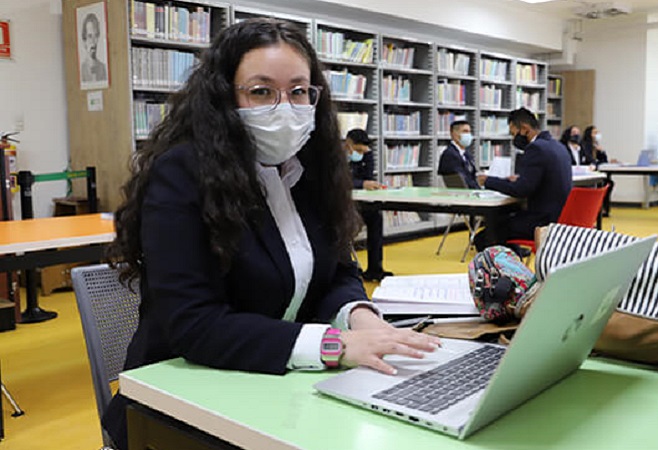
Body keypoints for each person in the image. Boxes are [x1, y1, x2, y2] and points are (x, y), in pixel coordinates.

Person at [103, 19, 439, 449]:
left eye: (299, 91)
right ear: (225, 97)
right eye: (261, 91)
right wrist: (334, 345)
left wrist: (364, 320)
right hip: (182, 401)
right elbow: (194, 325)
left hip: (278, 390)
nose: (285, 107)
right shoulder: (181, 174)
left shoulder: (312, 170)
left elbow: (337, 271)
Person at [476, 108, 571, 252]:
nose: (514, 139)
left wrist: (488, 181)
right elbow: (542, 179)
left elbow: (521, 190)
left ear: (525, 129)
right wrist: (522, 179)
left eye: (514, 133)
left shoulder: (536, 148)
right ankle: (515, 258)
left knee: (486, 236)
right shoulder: (558, 146)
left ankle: (507, 270)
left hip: (542, 222)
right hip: (560, 217)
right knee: (502, 225)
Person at [345, 128, 393, 281]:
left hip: (358, 201)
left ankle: (375, 268)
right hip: (338, 204)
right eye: (358, 150)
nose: (361, 154)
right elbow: (337, 180)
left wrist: (363, 183)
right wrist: (361, 183)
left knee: (375, 217)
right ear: (348, 144)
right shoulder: (334, 156)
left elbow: (367, 176)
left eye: (364, 151)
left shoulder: (367, 154)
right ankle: (344, 267)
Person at [581, 125, 615, 216]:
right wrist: (596, 163)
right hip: (589, 172)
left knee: (609, 183)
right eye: (595, 133)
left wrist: (601, 151)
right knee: (602, 183)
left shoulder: (596, 145)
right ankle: (599, 208)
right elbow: (590, 159)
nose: (597, 135)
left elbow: (604, 160)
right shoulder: (585, 145)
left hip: (597, 170)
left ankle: (605, 208)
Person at [437, 120, 480, 189]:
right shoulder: (450, 155)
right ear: (454, 134)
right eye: (465, 131)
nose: (468, 135)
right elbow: (462, 180)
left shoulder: (466, 154)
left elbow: (472, 174)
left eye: (469, 132)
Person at [80, 13, 107, 83]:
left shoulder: (103, 68)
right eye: (90, 36)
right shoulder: (81, 69)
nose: (93, 41)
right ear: (84, 40)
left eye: (96, 36)